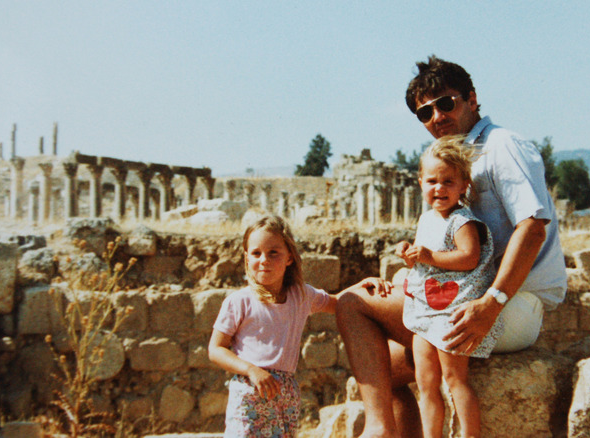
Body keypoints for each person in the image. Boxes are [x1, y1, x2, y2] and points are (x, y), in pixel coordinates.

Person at [336, 55, 567, 438]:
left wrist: (492, 303)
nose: (436, 117)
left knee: (351, 304)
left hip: (508, 304)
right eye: (425, 113)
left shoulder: (502, 146)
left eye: (446, 103)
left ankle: (378, 430)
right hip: (466, 296)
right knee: (383, 370)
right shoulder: (454, 164)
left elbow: (533, 228)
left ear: (472, 99)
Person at [396, 136, 498, 438]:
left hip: (452, 310)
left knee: (454, 379)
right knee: (425, 382)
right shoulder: (427, 219)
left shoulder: (462, 221)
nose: (439, 188)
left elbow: (469, 257)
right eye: (432, 181)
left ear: (463, 185)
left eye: (448, 181)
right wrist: (409, 254)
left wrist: (429, 256)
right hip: (426, 310)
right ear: (420, 182)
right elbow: (423, 261)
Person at [208, 215, 337, 437]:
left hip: (285, 396)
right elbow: (215, 349)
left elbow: (339, 304)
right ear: (246, 257)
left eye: (273, 252)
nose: (264, 260)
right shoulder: (239, 301)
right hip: (249, 392)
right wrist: (251, 370)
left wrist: (365, 288)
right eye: (256, 253)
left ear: (289, 257)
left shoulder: (301, 295)